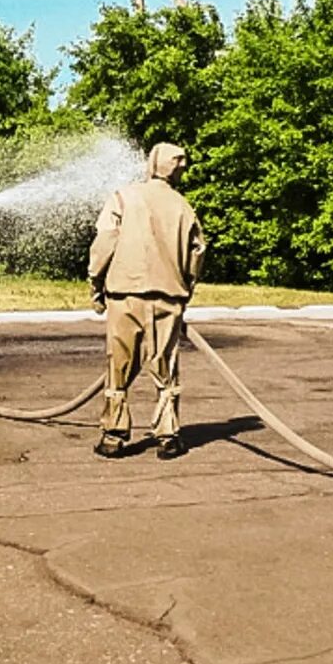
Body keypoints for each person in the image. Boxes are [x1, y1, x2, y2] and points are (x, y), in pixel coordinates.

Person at [87, 142, 206, 460]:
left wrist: (96, 284)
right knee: (166, 368)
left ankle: (113, 436)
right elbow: (197, 253)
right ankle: (168, 436)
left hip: (124, 295)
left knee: (118, 368)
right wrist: (185, 291)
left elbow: (104, 244)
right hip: (169, 298)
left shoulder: (123, 197)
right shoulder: (184, 207)